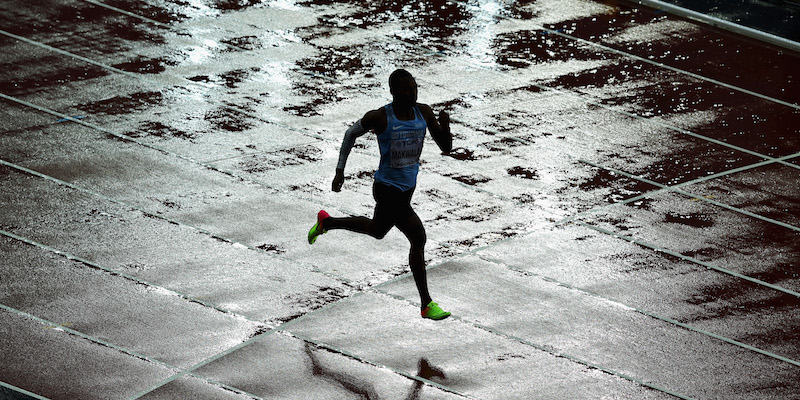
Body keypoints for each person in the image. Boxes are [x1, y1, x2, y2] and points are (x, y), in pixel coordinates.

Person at [308, 69, 453, 320]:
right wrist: (340, 171)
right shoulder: (381, 117)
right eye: (405, 89)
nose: (411, 92)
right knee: (417, 235)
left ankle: (327, 222)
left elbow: (446, 148)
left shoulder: (424, 112)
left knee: (377, 230)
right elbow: (350, 134)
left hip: (407, 190)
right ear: (393, 92)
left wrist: (446, 125)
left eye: (414, 87)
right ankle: (426, 304)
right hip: (386, 189)